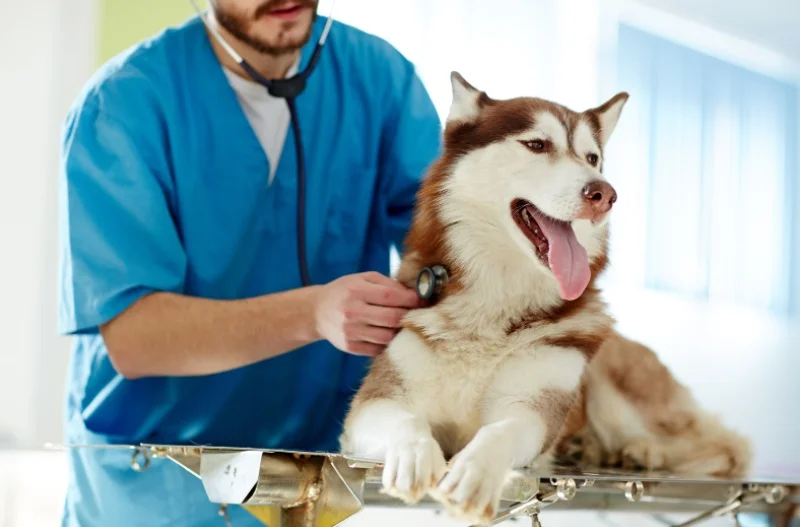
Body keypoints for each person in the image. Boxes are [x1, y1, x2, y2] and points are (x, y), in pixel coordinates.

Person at [56, 0, 442, 525]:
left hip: (310, 475)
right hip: (160, 482)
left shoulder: (380, 79)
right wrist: (315, 312)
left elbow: (445, 249)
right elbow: (135, 335)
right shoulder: (124, 103)